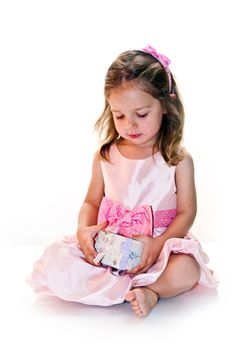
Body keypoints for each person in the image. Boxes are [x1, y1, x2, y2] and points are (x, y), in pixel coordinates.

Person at [27, 44, 218, 318]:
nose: (130, 125)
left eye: (141, 114)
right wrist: (84, 231)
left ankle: (151, 290)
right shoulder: (106, 155)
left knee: (188, 268)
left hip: (156, 249)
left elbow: (187, 212)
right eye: (119, 115)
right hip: (111, 247)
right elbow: (91, 201)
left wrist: (159, 243)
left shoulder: (177, 159)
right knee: (56, 258)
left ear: (164, 105)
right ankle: (118, 282)